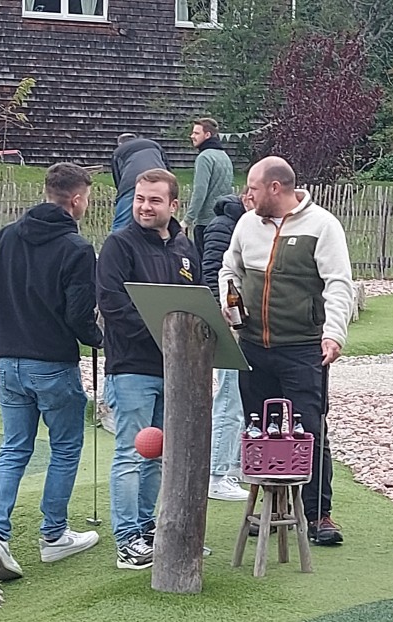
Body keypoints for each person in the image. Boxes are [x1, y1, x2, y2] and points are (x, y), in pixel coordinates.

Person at [0, 163, 104, 581]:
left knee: (14, 448)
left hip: (10, 362)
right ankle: (54, 534)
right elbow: (79, 314)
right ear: (76, 199)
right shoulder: (77, 248)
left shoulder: (6, 236)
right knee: (65, 448)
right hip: (51, 364)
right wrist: (99, 339)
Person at [219, 156, 353, 546]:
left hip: (303, 349)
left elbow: (338, 283)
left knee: (308, 430)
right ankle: (274, 509)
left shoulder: (323, 225)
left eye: (253, 188)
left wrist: (334, 334)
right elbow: (230, 269)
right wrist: (229, 298)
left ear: (275, 188)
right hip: (252, 347)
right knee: (260, 431)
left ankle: (318, 514)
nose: (247, 195)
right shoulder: (247, 224)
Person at [97, 168, 202, 570]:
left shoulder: (185, 248)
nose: (144, 206)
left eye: (154, 200)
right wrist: (164, 334)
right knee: (130, 452)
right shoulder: (119, 245)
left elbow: (196, 302)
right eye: (140, 198)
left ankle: (148, 529)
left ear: (173, 204)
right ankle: (127, 541)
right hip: (131, 368)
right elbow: (113, 304)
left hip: (175, 371)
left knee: (158, 454)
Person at [202, 192, 253, 501]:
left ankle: (232, 466)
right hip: (229, 324)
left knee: (241, 397)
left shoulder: (249, 224)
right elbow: (213, 273)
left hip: (246, 326)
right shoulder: (224, 226)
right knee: (229, 396)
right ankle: (216, 474)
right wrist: (224, 318)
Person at [182, 117, 234, 263]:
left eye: (196, 133)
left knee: (203, 265)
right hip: (223, 220)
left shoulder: (204, 157)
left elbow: (200, 192)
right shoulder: (224, 156)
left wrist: (187, 220)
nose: (192, 136)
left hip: (205, 223)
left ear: (207, 135)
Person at [110, 133, 170, 233]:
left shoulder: (118, 151)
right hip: (160, 180)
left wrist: (121, 196)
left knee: (121, 223)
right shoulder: (154, 144)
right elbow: (167, 166)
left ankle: (116, 241)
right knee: (159, 219)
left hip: (132, 183)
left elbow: (117, 178)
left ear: (120, 143)